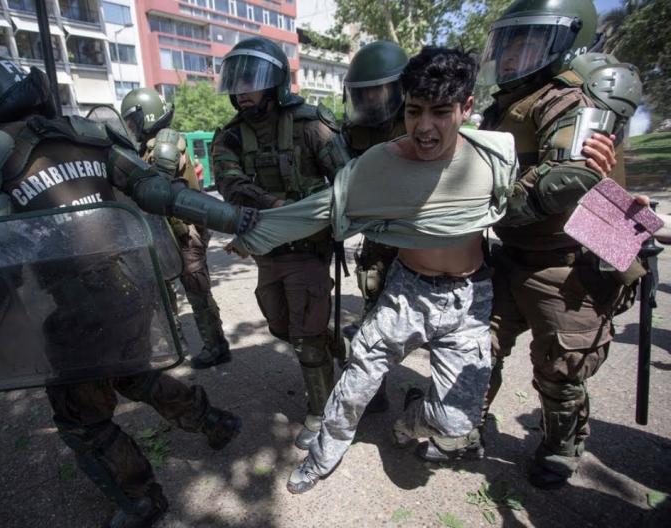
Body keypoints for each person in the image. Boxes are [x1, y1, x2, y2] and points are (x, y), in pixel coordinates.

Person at [0, 56, 257, 527]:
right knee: (133, 374)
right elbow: (158, 192)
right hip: (130, 287)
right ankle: (212, 421)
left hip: (77, 310)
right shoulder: (82, 135)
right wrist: (238, 220)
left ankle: (141, 501)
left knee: (81, 421)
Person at [228, 47, 518, 493]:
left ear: (466, 109)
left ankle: (412, 420)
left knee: (453, 421)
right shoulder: (378, 164)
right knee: (355, 385)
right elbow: (318, 209)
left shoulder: (495, 156)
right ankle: (323, 455)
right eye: (415, 111)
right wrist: (251, 237)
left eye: (441, 112)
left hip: (469, 300)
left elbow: (536, 202)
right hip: (406, 292)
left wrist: (631, 228)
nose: (425, 127)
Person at [476, 0, 643, 489]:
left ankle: (561, 445)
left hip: (568, 266)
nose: (509, 57)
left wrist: (481, 207)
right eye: (506, 44)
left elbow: (560, 183)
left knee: (560, 372)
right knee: (476, 346)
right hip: (510, 255)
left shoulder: (573, 99)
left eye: (524, 43)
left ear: (565, 40)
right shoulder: (506, 104)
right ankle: (465, 419)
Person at [212, 37, 348, 450]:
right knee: (281, 324)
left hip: (308, 250)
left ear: (273, 82)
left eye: (250, 81)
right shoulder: (231, 136)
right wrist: (272, 204)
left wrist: (318, 215)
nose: (242, 91)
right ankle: (333, 348)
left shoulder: (310, 123)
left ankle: (321, 412)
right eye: (235, 82)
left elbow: (346, 178)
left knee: (305, 335)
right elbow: (228, 182)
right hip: (267, 251)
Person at [121, 87, 231, 369]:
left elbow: (161, 193)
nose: (131, 128)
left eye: (134, 121)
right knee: (167, 294)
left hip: (182, 233)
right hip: (165, 234)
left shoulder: (163, 147)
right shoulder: (147, 148)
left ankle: (215, 346)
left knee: (196, 292)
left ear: (148, 116)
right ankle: (177, 347)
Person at [339, 40, 410, 414]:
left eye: (379, 91)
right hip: (378, 239)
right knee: (372, 319)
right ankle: (373, 391)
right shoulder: (352, 129)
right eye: (363, 93)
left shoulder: (420, 118)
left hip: (424, 241)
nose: (371, 100)